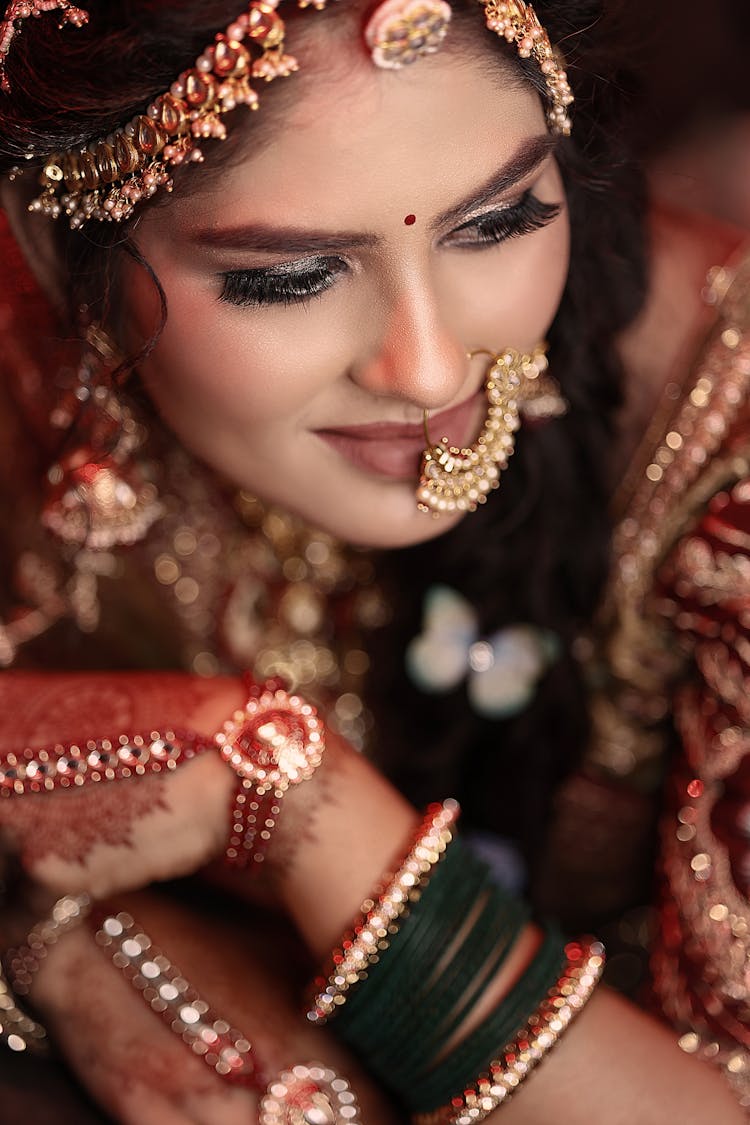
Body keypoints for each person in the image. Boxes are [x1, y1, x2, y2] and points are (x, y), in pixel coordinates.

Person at [0, 1, 748, 1122]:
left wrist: (275, 789)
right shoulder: (27, 361)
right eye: (289, 278)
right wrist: (78, 947)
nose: (429, 366)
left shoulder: (721, 437)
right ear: (63, 254)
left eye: (499, 221)